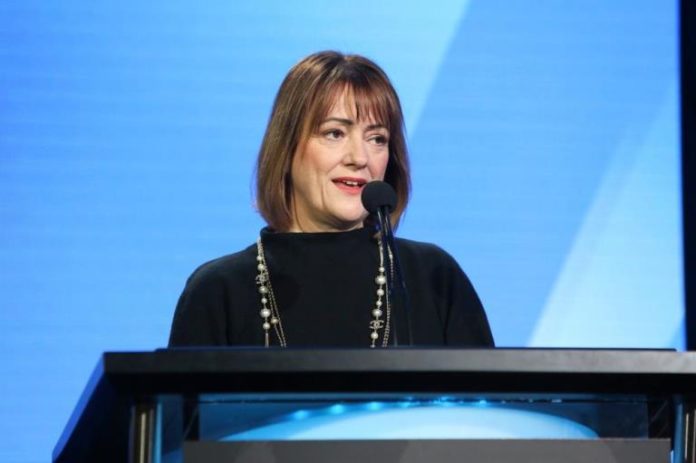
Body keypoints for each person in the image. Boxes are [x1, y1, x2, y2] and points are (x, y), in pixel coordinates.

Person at [168, 51, 493, 348]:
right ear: (286, 147)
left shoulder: (433, 277)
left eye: (377, 138)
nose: (359, 158)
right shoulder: (218, 290)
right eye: (334, 133)